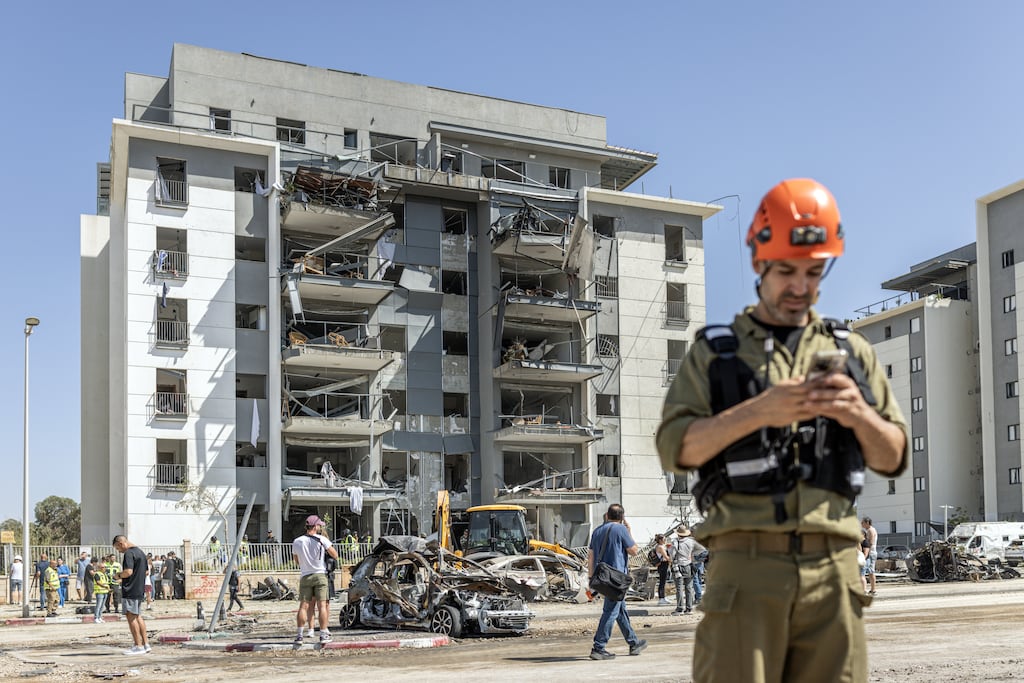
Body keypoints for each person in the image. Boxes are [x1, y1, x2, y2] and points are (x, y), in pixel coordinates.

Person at [656, 178, 907, 682]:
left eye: (814, 272)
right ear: (758, 262)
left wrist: (858, 412)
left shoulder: (851, 352)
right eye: (786, 270)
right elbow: (674, 449)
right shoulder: (716, 355)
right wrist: (758, 411)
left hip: (834, 571)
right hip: (744, 571)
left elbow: (894, 456)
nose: (800, 286)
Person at [587, 503, 647, 661]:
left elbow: (591, 555)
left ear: (607, 515)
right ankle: (598, 647)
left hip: (601, 577)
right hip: (616, 578)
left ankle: (633, 643)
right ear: (622, 517)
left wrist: (590, 577)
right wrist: (628, 531)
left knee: (620, 611)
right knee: (611, 612)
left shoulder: (597, 530)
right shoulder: (620, 529)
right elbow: (634, 551)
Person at [292, 514, 339, 645]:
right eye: (319, 525)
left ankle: (299, 635)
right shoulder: (321, 539)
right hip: (320, 575)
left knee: (303, 606)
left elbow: (297, 561)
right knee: (322, 605)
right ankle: (323, 633)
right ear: (315, 526)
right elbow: (335, 555)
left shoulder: (297, 541)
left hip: (305, 575)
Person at [112, 534, 151, 655]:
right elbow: (146, 572)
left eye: (118, 549)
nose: (119, 551)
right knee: (138, 616)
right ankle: (145, 644)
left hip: (130, 589)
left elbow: (128, 572)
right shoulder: (141, 553)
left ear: (121, 543)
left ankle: (138, 646)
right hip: (139, 589)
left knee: (131, 617)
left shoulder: (129, 553)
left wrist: (118, 575)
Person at [669, 525, 706, 615]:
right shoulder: (691, 541)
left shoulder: (675, 542)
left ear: (678, 534)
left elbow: (672, 555)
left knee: (679, 588)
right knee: (689, 588)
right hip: (688, 565)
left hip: (677, 566)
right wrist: (693, 557)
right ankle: (689, 608)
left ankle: (680, 608)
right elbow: (702, 549)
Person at [861, 516, 878, 596]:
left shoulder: (870, 530)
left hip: (871, 552)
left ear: (867, 523)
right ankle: (872, 589)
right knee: (870, 571)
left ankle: (873, 589)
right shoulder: (869, 530)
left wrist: (866, 552)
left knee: (871, 571)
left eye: (862, 523)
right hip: (871, 552)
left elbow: (870, 543)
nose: (861, 524)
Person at [652, 534, 671, 605]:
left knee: (663, 581)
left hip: (663, 564)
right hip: (663, 564)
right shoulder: (660, 547)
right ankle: (661, 598)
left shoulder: (661, 546)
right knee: (662, 582)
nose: (665, 540)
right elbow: (666, 557)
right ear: (660, 540)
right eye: (664, 539)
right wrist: (672, 560)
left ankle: (663, 596)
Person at [91, 559, 109, 623]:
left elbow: (106, 582)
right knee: (98, 605)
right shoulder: (97, 574)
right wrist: (104, 586)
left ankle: (100, 617)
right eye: (103, 567)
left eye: (105, 567)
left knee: (102, 606)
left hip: (105, 592)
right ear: (99, 568)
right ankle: (96, 618)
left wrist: (108, 589)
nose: (104, 568)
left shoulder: (105, 574)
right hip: (99, 592)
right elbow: (98, 582)